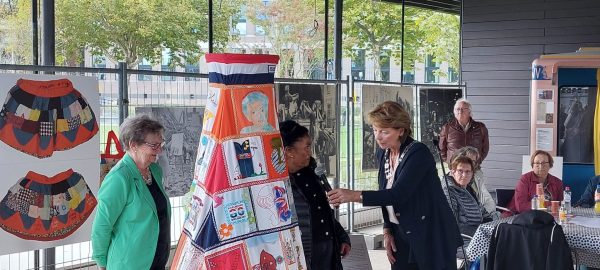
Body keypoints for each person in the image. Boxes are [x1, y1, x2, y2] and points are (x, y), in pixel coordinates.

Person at [327, 101, 462, 270]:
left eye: (384, 131)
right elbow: (385, 193)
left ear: (401, 131)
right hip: (402, 231)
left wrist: (353, 195)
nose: (377, 136)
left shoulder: (418, 153)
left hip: (431, 234)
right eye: (375, 130)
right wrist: (387, 230)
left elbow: (398, 194)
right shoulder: (383, 152)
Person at [92, 114, 171, 270]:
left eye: (161, 144)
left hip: (156, 261)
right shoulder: (119, 178)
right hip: (128, 263)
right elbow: (101, 226)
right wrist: (102, 264)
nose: (160, 150)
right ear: (133, 145)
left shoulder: (155, 170)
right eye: (154, 145)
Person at [279, 120, 351, 270]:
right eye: (306, 147)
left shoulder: (312, 172)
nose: (309, 152)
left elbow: (322, 211)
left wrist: (341, 236)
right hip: (303, 255)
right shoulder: (279, 185)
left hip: (329, 251)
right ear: (289, 152)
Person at [443, 156, 496, 237]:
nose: (464, 175)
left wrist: (491, 224)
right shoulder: (449, 191)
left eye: (468, 172)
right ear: (453, 172)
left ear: (472, 174)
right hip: (464, 240)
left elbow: (483, 212)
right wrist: (482, 233)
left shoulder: (468, 189)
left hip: (479, 233)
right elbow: (452, 224)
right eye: (460, 171)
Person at [508, 150, 564, 214]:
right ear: (533, 166)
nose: (540, 166)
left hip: (548, 217)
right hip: (521, 216)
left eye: (543, 163)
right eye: (537, 163)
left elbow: (560, 205)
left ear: (550, 165)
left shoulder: (558, 182)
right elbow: (521, 206)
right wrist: (547, 204)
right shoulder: (525, 179)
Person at [450, 146, 498, 218]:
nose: (471, 164)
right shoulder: (451, 182)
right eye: (468, 160)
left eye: (473, 161)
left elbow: (489, 201)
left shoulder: (476, 178)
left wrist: (485, 215)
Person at [438, 98, 489, 164]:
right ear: (454, 112)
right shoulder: (447, 128)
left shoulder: (480, 127)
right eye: (457, 109)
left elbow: (485, 148)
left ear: (469, 112)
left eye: (463, 109)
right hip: (455, 169)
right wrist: (450, 162)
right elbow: (442, 149)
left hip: (474, 169)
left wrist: (477, 161)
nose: (460, 111)